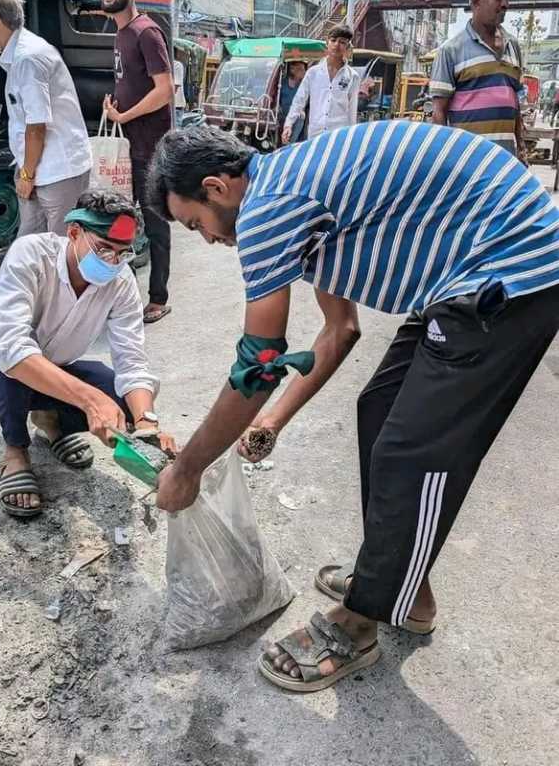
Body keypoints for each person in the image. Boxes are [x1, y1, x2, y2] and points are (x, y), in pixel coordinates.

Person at [147, 121, 559, 693]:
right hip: (465, 272)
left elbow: (257, 365)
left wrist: (187, 467)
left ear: (217, 188)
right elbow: (339, 331)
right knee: (379, 410)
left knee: (412, 450)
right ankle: (397, 584)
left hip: (512, 270)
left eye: (197, 224)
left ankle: (362, 620)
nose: (209, 240)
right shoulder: (296, 192)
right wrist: (273, 419)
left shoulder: (267, 208)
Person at [0, 189, 173, 519]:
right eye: (104, 249)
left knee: (122, 399)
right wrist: (89, 400)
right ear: (74, 233)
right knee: (14, 357)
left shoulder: (121, 281)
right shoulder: (31, 255)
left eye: (122, 253)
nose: (113, 261)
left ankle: (49, 421)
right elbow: (10, 346)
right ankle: (15, 451)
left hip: (52, 371)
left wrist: (146, 426)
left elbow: (132, 360)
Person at [0, 0, 92, 236]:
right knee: (30, 248)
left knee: (59, 250)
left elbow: (36, 126)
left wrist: (26, 174)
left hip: (56, 170)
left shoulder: (28, 58)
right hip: (39, 170)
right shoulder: (20, 53)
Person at [98, 0, 174, 325]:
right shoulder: (120, 33)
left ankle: (158, 298)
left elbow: (164, 91)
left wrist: (126, 117)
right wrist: (114, 104)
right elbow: (131, 82)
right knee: (119, 221)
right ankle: (114, 297)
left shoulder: (146, 32)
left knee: (156, 224)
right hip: (127, 148)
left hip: (151, 148)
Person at [431, 0, 528, 163]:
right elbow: (438, 112)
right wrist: (446, 160)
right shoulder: (451, 50)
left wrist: (521, 146)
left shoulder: (513, 46)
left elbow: (514, 104)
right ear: (476, 1)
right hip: (468, 162)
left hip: (506, 161)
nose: (505, 4)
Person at [282, 26, 360, 144]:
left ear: (347, 47)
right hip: (315, 135)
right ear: (327, 43)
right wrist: (288, 124)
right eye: (333, 40)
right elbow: (299, 100)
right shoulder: (313, 73)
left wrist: (351, 139)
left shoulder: (353, 76)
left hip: (339, 136)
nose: (336, 45)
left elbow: (352, 110)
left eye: (342, 42)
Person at [278, 61, 307, 140]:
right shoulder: (283, 83)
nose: (304, 72)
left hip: (296, 115)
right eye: (300, 69)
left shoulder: (304, 85)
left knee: (301, 116)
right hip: (283, 114)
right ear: (292, 70)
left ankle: (291, 142)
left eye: (304, 69)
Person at [173, 58, 187, 128]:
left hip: (176, 108)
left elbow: (173, 89)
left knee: (174, 136)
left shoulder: (176, 65)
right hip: (167, 109)